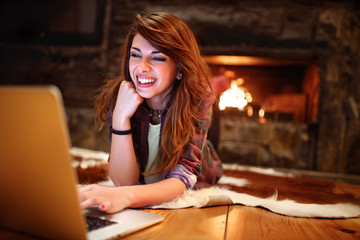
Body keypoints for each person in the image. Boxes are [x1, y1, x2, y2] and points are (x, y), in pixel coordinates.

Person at [79, 12, 222, 213]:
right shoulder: (120, 96)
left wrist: (126, 196)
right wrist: (121, 118)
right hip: (144, 178)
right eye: (135, 55)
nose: (141, 68)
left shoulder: (199, 98)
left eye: (157, 58)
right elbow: (124, 182)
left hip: (198, 176)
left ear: (180, 68)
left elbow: (181, 180)